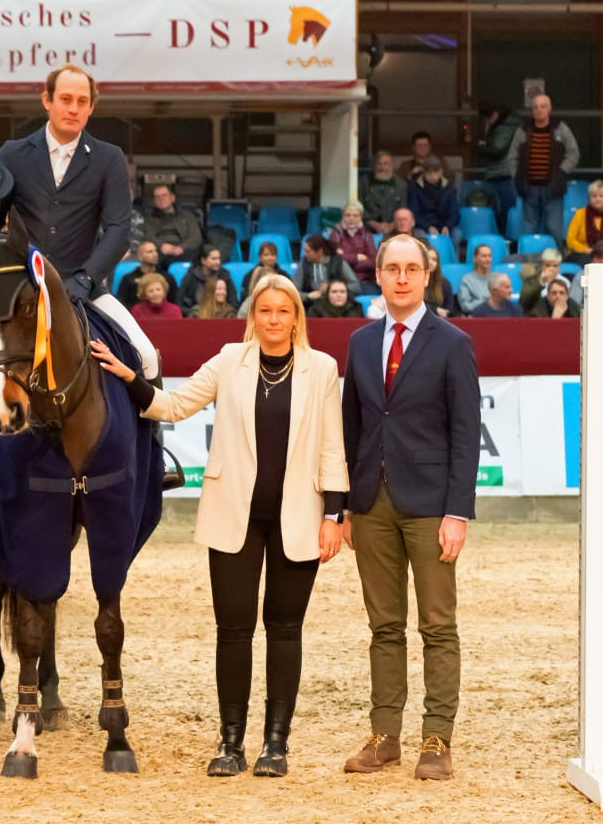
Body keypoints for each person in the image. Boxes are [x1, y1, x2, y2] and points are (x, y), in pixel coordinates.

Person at [90, 274, 348, 779]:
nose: (273, 320)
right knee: (233, 632)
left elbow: (334, 448)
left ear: (297, 317)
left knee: (284, 630)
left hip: (300, 517)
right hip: (234, 516)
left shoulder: (322, 369)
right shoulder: (230, 360)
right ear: (253, 316)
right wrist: (128, 376)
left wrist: (334, 516)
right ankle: (231, 743)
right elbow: (174, 406)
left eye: (283, 311)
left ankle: (276, 744)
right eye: (265, 311)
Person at [341, 233, 480, 781]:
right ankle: (384, 737)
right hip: (370, 504)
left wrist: (457, 512)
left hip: (430, 509)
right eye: (391, 268)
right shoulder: (358, 342)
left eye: (410, 269)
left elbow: (466, 433)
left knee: (438, 626)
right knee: (384, 627)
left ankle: (437, 740)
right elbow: (351, 428)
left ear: (426, 276)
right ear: (378, 276)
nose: (401, 277)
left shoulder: (453, 343)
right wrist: (344, 507)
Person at [0, 65, 157, 381]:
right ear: (47, 99)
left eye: (82, 101)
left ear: (91, 107)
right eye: (65, 99)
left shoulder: (108, 158)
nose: (73, 108)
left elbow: (119, 230)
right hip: (18, 284)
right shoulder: (12, 153)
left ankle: (148, 433)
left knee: (147, 356)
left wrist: (85, 279)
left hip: (82, 286)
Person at [507, 94, 579, 245]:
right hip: (528, 188)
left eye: (543, 106)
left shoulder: (561, 128)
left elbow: (573, 153)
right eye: (535, 107)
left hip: (553, 188)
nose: (539, 110)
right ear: (532, 110)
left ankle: (555, 265)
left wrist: (561, 172)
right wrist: (517, 177)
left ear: (550, 108)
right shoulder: (523, 130)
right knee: (529, 230)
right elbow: (512, 156)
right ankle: (528, 264)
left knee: (554, 229)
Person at [474, 103, 522, 234]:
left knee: (505, 209)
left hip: (503, 173)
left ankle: (506, 238)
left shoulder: (504, 127)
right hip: (503, 172)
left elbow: (497, 150)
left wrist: (481, 147)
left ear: (495, 114)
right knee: (504, 209)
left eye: (489, 117)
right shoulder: (509, 124)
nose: (489, 121)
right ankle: (506, 237)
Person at [143, 183, 203, 268]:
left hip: (184, 251)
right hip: (160, 252)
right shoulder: (149, 219)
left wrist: (182, 248)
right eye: (157, 197)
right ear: (154, 202)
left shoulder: (187, 216)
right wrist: (161, 246)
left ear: (172, 198)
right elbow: (149, 236)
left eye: (164, 195)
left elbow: (196, 237)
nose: (161, 199)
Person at [295, 235, 363, 306]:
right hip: (311, 305)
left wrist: (332, 288)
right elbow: (293, 291)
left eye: (308, 252)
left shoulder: (339, 263)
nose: (305, 255)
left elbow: (356, 287)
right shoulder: (303, 264)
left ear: (320, 251)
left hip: (337, 305)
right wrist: (308, 296)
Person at [565, 180, 603, 266]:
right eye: (594, 196)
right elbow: (570, 241)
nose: (598, 199)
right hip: (584, 254)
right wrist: (587, 250)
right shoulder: (580, 213)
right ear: (589, 198)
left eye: (601, 196)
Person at [115, 240, 178, 310]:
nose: (155, 254)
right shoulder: (128, 279)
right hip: (135, 317)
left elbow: (175, 301)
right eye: (150, 252)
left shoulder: (167, 277)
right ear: (140, 257)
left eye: (155, 251)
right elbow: (121, 304)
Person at [176, 244, 237, 316]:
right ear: (203, 260)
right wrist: (193, 313)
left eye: (219, 258)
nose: (218, 262)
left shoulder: (224, 276)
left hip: (222, 316)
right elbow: (179, 302)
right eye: (214, 259)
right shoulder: (191, 277)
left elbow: (233, 301)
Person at [407, 157, 459, 239]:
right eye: (428, 171)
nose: (432, 174)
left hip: (444, 225)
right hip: (422, 226)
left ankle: (451, 252)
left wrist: (447, 226)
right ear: (423, 172)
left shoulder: (450, 187)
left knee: (457, 234)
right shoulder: (415, 187)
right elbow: (414, 213)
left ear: (441, 171)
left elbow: (454, 213)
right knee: (419, 234)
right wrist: (428, 227)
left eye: (435, 171)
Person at [329, 202, 377, 284]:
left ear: (360, 217)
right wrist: (356, 258)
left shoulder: (367, 233)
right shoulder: (336, 232)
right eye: (348, 215)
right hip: (343, 280)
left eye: (355, 215)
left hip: (365, 280)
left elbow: (373, 261)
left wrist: (350, 265)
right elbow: (335, 259)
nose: (351, 218)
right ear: (343, 216)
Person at [360, 151, 407, 235]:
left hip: (394, 227)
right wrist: (375, 225)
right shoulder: (364, 183)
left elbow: (403, 209)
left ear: (391, 166)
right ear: (374, 166)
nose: (382, 167)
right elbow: (359, 208)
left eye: (386, 164)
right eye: (379, 164)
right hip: (368, 227)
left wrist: (391, 226)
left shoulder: (401, 185)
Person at [520, 247, 565, 313]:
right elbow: (524, 301)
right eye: (547, 265)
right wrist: (541, 282)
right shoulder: (531, 280)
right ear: (542, 265)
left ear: (560, 266)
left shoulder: (565, 282)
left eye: (555, 266)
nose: (551, 269)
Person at [458, 244, 495, 314]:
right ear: (475, 259)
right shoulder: (467, 280)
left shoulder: (497, 278)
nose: (487, 259)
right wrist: (488, 302)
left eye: (489, 256)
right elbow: (465, 306)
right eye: (484, 256)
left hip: (497, 316)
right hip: (476, 317)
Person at [423, 247, 455, 318]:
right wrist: (435, 309)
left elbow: (449, 310)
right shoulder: (415, 281)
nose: (430, 262)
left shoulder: (445, 283)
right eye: (428, 259)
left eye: (434, 259)